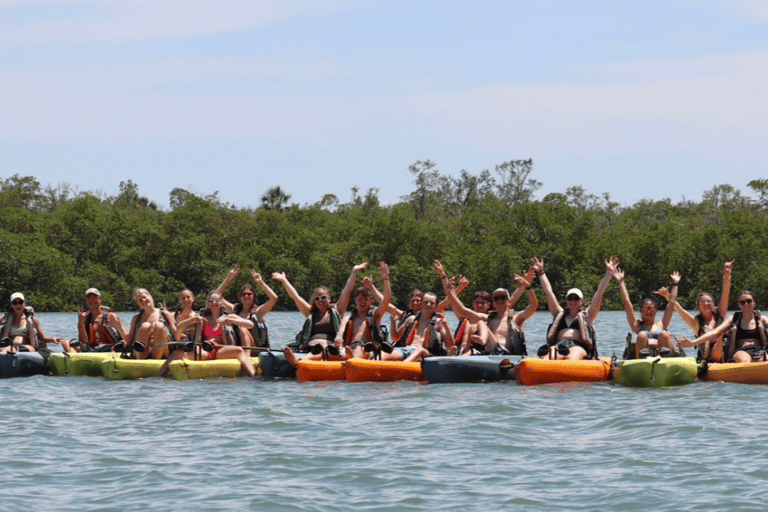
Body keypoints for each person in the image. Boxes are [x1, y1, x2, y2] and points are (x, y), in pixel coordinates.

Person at [435, 260, 537, 355]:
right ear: (493, 303)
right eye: (496, 298)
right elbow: (463, 310)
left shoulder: (516, 318)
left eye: (503, 298)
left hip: (508, 354)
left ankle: (479, 344)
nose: (500, 301)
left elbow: (533, 306)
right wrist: (450, 293)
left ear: (508, 301)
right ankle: (482, 340)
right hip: (492, 351)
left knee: (479, 323)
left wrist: (528, 287)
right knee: (480, 321)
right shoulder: (487, 318)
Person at [274, 262, 364, 366]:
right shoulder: (310, 312)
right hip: (313, 346)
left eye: (323, 297)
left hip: (332, 347)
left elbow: (347, 290)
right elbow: (295, 297)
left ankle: (301, 361)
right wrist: (284, 280)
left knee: (324, 349)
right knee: (319, 348)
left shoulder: (338, 310)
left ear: (329, 299)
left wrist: (354, 272)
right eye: (317, 298)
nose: (320, 300)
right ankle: (298, 360)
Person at [532, 256, 617, 360]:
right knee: (550, 355)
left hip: (578, 346)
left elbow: (599, 293)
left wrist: (609, 273)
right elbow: (549, 292)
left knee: (572, 357)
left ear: (582, 301)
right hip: (559, 344)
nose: (572, 301)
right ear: (566, 301)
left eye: (576, 298)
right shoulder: (558, 313)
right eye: (570, 298)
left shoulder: (588, 315)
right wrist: (541, 272)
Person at [161, 291, 257, 376]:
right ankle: (158, 377)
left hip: (221, 350)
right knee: (176, 353)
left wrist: (231, 320)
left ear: (221, 303)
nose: (214, 303)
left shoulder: (229, 316)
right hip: (205, 351)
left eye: (217, 300)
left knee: (239, 350)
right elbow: (179, 327)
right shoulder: (202, 318)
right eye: (211, 300)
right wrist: (192, 319)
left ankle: (253, 376)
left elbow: (250, 324)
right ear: (208, 303)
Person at [658, 260, 733, 362]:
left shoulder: (721, 313)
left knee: (727, 331)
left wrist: (727, 275)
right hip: (706, 359)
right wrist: (667, 295)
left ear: (714, 304)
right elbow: (679, 309)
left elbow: (725, 293)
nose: (706, 304)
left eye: (709, 301)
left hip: (722, 354)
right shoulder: (696, 322)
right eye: (702, 302)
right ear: (698, 306)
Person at [679, 290, 768, 363]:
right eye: (742, 302)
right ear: (739, 305)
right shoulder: (733, 319)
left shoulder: (762, 319)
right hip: (742, 351)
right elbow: (715, 332)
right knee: (745, 361)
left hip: (760, 350)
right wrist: (693, 343)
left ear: (754, 303)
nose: (746, 304)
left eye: (749, 301)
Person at [613, 268, 681, 358]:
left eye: (651, 308)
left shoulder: (662, 324)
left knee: (664, 334)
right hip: (644, 362)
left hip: (661, 359)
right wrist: (621, 282)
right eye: (646, 309)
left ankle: (667, 359)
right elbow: (627, 303)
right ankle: (644, 360)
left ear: (656, 311)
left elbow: (671, 303)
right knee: (642, 335)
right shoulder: (636, 325)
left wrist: (675, 284)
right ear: (641, 311)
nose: (649, 311)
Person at [336, 262, 391, 359]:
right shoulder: (347, 319)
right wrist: (339, 341)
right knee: (332, 349)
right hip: (349, 349)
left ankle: (351, 361)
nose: (362, 302)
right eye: (360, 299)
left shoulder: (376, 315)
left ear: (371, 302)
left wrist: (385, 279)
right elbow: (340, 334)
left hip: (368, 349)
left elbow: (386, 300)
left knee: (358, 348)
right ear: (355, 301)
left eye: (366, 299)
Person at [214, 266, 279, 348]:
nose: (246, 296)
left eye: (249, 294)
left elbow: (274, 298)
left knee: (243, 329)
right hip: (237, 347)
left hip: (254, 348)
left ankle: (246, 357)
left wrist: (261, 282)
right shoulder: (235, 309)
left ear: (254, 297)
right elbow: (216, 296)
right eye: (244, 294)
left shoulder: (258, 312)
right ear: (240, 297)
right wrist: (228, 279)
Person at [387, 291, 455, 362]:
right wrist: (393, 322)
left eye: (432, 303)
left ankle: (401, 367)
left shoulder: (439, 323)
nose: (428, 304)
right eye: (426, 302)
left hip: (426, 354)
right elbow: (395, 338)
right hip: (406, 350)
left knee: (419, 350)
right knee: (383, 353)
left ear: (436, 306)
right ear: (421, 304)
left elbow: (450, 346)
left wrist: (445, 324)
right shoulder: (411, 319)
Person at [0, 292, 70, 353]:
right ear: (11, 305)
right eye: (14, 303)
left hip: (28, 346)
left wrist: (53, 339)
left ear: (24, 303)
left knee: (22, 349)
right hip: (11, 347)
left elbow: (43, 337)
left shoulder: (33, 319)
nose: (18, 305)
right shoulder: (6, 318)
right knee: (4, 350)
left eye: (20, 302)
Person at [124, 288, 177, 359]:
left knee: (159, 325)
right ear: (139, 305)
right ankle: (140, 360)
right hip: (142, 352)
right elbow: (129, 341)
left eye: (144, 297)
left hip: (162, 351)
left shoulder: (165, 314)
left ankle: (156, 361)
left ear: (150, 296)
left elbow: (175, 334)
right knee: (145, 326)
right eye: (140, 300)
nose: (143, 300)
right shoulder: (136, 318)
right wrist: (119, 326)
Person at [75, 288, 128, 352]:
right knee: (66, 343)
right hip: (92, 349)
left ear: (100, 299)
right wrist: (81, 324)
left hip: (111, 348)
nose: (92, 300)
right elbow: (83, 343)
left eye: (95, 297)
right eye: (89, 298)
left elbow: (125, 336)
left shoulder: (111, 316)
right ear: (86, 301)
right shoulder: (84, 317)